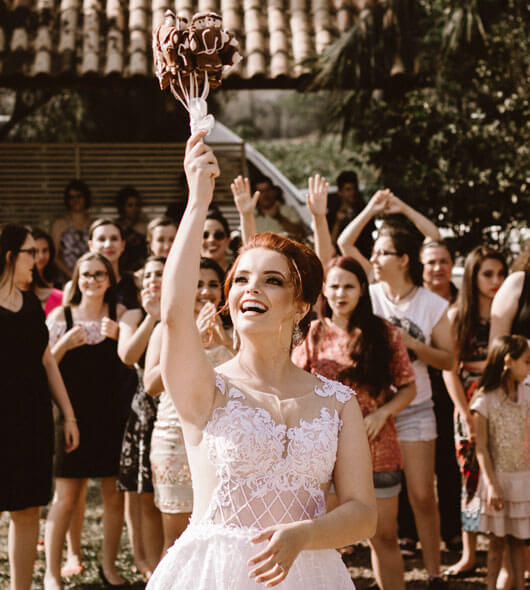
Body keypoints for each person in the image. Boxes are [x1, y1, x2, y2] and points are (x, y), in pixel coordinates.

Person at [146, 131, 376, 589]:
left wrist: (305, 535)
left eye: (272, 280)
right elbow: (173, 314)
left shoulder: (337, 402)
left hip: (311, 574)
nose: (251, 287)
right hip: (215, 577)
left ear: (302, 305)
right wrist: (198, 201)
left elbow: (363, 514)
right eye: (241, 279)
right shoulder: (206, 390)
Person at [293, 255, 416, 590]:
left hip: (378, 450)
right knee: (327, 542)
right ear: (324, 291)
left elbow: (409, 387)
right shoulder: (312, 334)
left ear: (362, 288)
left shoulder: (385, 333)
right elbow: (293, 384)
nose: (340, 293)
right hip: (325, 455)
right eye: (334, 286)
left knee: (384, 536)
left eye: (348, 286)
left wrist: (382, 413)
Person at [345, 219, 454, 587]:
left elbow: (449, 360)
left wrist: (412, 343)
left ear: (404, 259)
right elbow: (344, 245)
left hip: (416, 407)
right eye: (373, 253)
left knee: (422, 495)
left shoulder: (432, 304)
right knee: (376, 499)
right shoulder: (370, 296)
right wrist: (374, 208)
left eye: (382, 253)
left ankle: (435, 572)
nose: (374, 259)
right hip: (371, 411)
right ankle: (386, 572)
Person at [0, 224, 79, 590]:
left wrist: (69, 415)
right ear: (10, 256)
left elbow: (47, 361)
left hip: (32, 420)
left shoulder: (32, 303)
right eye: (30, 252)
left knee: (28, 508)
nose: (38, 258)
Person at [44, 252, 128, 589]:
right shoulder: (60, 317)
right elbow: (43, 366)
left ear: (109, 280)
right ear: (77, 279)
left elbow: (134, 357)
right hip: (70, 418)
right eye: (86, 274)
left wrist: (120, 335)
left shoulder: (119, 315)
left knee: (114, 498)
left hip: (112, 420)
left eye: (99, 274)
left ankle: (109, 568)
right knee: (66, 497)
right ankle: (52, 573)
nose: (92, 280)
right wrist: (64, 344)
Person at [145, 256, 233, 555]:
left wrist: (229, 345)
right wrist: (191, 337)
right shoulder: (167, 329)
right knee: (177, 543)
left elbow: (255, 384)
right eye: (197, 284)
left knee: (220, 538)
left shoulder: (237, 332)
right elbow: (151, 384)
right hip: (175, 441)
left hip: (226, 443)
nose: (206, 291)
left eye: (213, 284)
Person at [443, 246, 507, 577]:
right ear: (472, 276)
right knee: (469, 477)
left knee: (507, 474)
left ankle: (506, 552)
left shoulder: (508, 310)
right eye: (487, 274)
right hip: (468, 402)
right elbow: (449, 369)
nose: (496, 280)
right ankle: (470, 554)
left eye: (501, 273)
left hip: (506, 401)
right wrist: (464, 412)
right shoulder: (457, 315)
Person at [116, 256, 167, 577]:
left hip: (176, 407)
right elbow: (127, 355)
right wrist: (151, 317)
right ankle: (153, 569)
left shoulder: (180, 311)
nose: (153, 280)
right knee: (147, 495)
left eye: (160, 274)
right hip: (145, 410)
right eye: (148, 275)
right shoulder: (133, 315)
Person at [471, 335, 530, 590]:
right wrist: (492, 485)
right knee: (496, 544)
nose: (529, 367)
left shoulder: (527, 395)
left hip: (522, 479)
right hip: (497, 481)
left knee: (519, 541)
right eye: (527, 361)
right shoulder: (484, 401)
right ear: (508, 361)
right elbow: (481, 448)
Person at [417, 239, 462, 555]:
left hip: (453, 385)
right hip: (417, 384)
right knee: (412, 465)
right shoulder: (413, 299)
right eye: (431, 262)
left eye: (443, 261)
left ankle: (453, 531)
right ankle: (409, 533)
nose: (437, 268)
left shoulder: (463, 299)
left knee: (448, 461)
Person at [50, 180, 92, 282]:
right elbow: (53, 256)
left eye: (79, 196)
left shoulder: (93, 224)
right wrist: (71, 275)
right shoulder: (59, 224)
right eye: (71, 197)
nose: (75, 200)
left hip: (91, 277)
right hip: (65, 279)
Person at [327, 170, 374, 256]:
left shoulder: (364, 211)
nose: (352, 193)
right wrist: (337, 223)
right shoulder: (331, 215)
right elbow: (329, 245)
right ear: (340, 192)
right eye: (348, 190)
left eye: (354, 189)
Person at [252, 176, 306, 240]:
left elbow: (300, 233)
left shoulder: (288, 210)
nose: (265, 195)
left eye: (267, 190)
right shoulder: (251, 215)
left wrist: (279, 217)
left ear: (274, 191)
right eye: (261, 191)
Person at [115, 186, 148, 272]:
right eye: (130, 205)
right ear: (122, 207)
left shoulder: (144, 227)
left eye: (137, 205)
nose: (134, 209)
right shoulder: (115, 227)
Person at [201, 207, 233, 272]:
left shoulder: (237, 273)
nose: (211, 240)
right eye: (205, 235)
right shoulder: (188, 273)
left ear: (228, 241)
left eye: (218, 235)